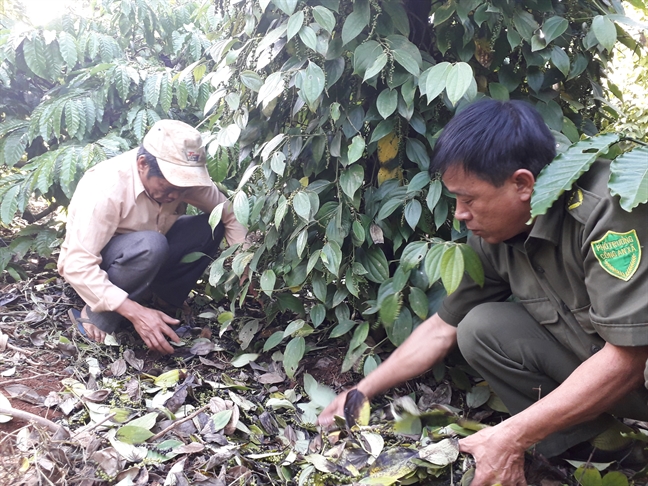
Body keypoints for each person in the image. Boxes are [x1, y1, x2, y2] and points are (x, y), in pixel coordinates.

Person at [318, 99, 648, 485]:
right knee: (479, 327)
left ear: (522, 184)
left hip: (633, 370)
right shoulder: (495, 234)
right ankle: (600, 450)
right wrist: (361, 392)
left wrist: (510, 436)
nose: (459, 213)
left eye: (468, 199)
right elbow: (443, 328)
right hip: (603, 367)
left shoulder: (608, 211)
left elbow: (627, 360)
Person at [58, 120, 248, 354]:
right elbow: (76, 264)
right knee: (151, 245)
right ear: (143, 164)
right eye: (169, 186)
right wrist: (136, 313)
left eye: (183, 187)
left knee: (213, 223)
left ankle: (162, 301)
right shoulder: (106, 188)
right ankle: (97, 314)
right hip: (106, 265)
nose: (176, 194)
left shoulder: (182, 183)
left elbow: (229, 214)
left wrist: (245, 269)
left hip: (151, 257)